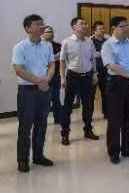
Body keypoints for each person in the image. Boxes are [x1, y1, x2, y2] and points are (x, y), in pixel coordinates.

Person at [12, 14, 55, 173]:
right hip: (27, 91)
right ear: (28, 28)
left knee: (42, 124)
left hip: (44, 90)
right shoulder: (20, 47)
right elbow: (19, 69)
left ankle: (38, 156)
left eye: (42, 23)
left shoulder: (47, 46)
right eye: (37, 24)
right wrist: (39, 81)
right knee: (25, 126)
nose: (42, 26)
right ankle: (23, 160)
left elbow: (52, 64)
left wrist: (47, 80)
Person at [101, 16, 129, 164]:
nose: (126, 28)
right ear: (114, 28)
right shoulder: (108, 45)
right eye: (122, 26)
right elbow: (111, 65)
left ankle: (128, 149)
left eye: (127, 25)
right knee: (115, 119)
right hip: (116, 83)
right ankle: (114, 151)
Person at [59, 17, 98, 145]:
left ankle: (88, 130)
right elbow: (62, 61)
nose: (85, 26)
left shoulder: (89, 42)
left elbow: (93, 58)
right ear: (74, 27)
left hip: (87, 76)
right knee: (68, 106)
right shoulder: (67, 42)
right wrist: (62, 78)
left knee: (88, 105)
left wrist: (95, 73)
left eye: (86, 24)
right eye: (82, 24)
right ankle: (65, 133)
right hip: (72, 76)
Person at [42, 26, 64, 125]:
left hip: (56, 75)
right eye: (47, 32)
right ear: (43, 34)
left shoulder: (58, 45)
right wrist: (55, 57)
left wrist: (55, 58)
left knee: (56, 97)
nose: (50, 34)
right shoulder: (40, 46)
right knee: (44, 99)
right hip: (44, 76)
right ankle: (42, 119)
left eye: (51, 32)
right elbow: (44, 61)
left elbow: (63, 58)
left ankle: (58, 119)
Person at [91, 21, 109, 118]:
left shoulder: (108, 41)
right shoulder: (89, 41)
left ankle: (106, 113)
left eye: (103, 28)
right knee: (90, 95)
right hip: (93, 72)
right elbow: (91, 55)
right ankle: (89, 116)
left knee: (106, 93)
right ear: (94, 31)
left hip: (106, 71)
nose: (102, 30)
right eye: (100, 29)